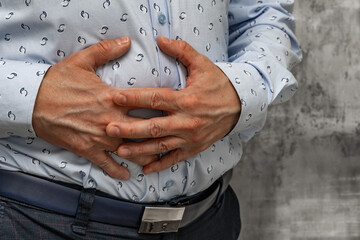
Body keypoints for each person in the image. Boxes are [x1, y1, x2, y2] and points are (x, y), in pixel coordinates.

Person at [0, 0, 302, 239]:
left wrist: (240, 91)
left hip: (211, 219)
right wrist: (33, 99)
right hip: (32, 217)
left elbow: (264, 11)